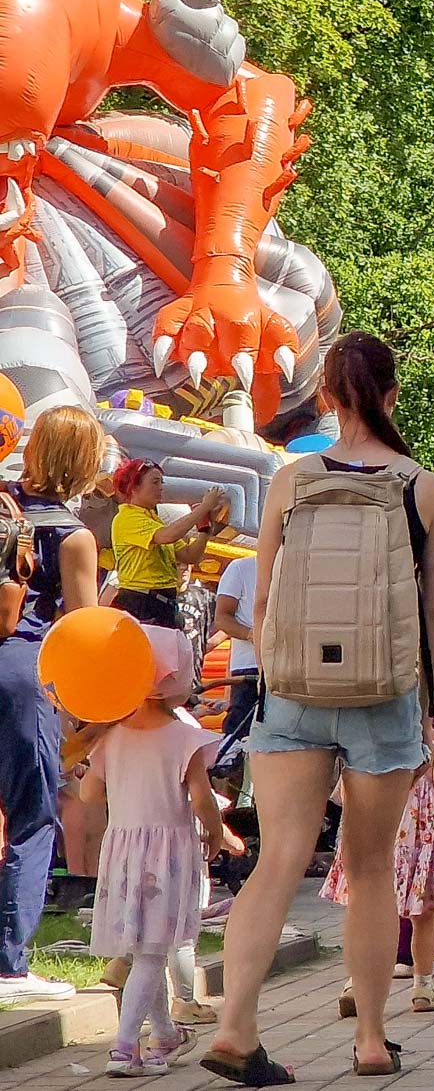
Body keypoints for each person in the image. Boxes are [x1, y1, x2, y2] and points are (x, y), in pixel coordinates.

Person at [206, 332, 434, 1087]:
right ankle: (373, 1040)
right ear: (391, 395)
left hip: (292, 693)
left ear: (324, 397)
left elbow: (266, 597)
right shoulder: (425, 486)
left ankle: (234, 1026)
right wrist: (433, 703)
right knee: (373, 865)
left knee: (278, 858)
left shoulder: (292, 478)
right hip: (384, 695)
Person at [82, 626, 241, 1076]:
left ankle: (165, 1033)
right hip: (167, 851)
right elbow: (201, 796)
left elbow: (92, 796)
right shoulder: (184, 737)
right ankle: (125, 1046)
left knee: (140, 947)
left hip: (123, 851)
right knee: (153, 951)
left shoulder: (110, 736)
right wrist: (214, 833)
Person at [0, 405, 103, 1006]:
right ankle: (10, 964)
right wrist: (88, 720)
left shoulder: (3, 504)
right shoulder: (74, 534)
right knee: (32, 815)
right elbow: (83, 633)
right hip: (21, 671)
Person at [320, 710, 434, 1017]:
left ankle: (355, 983)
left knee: (364, 909)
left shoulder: (362, 729)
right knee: (425, 915)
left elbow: (345, 791)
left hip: (371, 826)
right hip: (419, 834)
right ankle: (423, 986)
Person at [108, 459, 223, 629]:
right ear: (134, 487)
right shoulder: (126, 518)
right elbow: (167, 536)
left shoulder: (154, 521)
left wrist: (205, 529)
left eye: (162, 482)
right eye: (155, 482)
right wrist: (203, 508)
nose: (161, 487)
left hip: (164, 605)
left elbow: (190, 556)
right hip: (141, 604)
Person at [212, 553, 260, 742]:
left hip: (288, 668)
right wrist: (252, 635)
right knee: (239, 736)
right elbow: (222, 617)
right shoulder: (241, 568)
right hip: (249, 667)